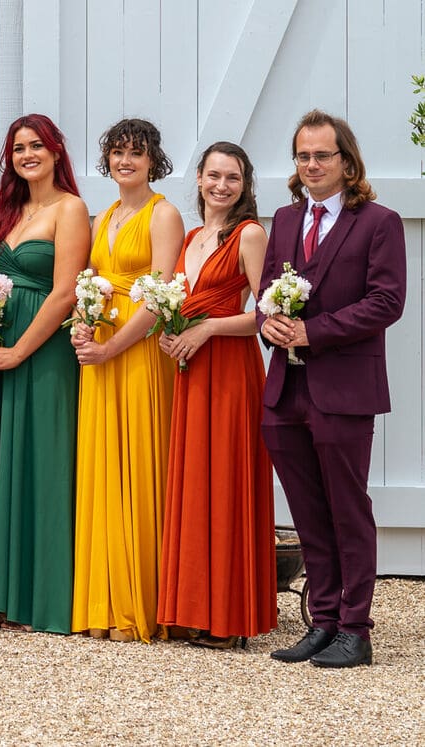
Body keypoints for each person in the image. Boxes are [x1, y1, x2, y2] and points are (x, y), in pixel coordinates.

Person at [260, 111, 405, 669]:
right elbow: (270, 292)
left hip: (344, 389)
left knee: (348, 509)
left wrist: (311, 331)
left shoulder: (379, 221)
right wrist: (266, 320)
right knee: (307, 512)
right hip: (285, 389)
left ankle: (355, 629)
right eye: (303, 156)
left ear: (347, 161)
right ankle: (321, 623)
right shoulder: (286, 218)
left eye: (323, 155)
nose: (312, 165)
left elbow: (386, 302)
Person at [0, 114, 88, 634]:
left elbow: (64, 293)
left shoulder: (70, 209)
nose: (27, 154)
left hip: (44, 350)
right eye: (18, 148)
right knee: (0, 461)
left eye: (36, 146)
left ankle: (38, 598)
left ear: (56, 152)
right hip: (1, 349)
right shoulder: (7, 210)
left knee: (42, 462)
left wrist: (20, 351)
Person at [156, 141, 276, 649]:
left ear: (245, 185)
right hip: (192, 369)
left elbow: (267, 315)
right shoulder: (189, 236)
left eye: (232, 178)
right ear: (199, 178)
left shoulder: (249, 234)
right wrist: (171, 332)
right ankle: (194, 608)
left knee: (226, 480)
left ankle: (229, 616)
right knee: (195, 481)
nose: (221, 186)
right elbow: (182, 305)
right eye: (214, 176)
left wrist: (205, 330)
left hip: (230, 369)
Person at [68, 119, 184, 642]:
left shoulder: (165, 215)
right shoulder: (106, 215)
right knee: (102, 464)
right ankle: (104, 600)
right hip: (101, 351)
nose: (125, 161)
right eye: (116, 152)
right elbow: (89, 283)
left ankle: (141, 602)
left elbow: (159, 297)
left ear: (153, 160)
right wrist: (84, 328)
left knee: (137, 461)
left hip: (136, 352)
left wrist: (114, 344)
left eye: (136, 153)